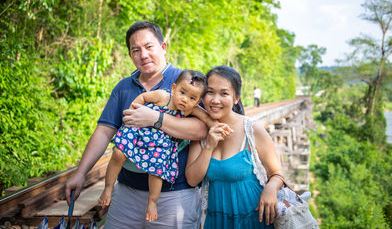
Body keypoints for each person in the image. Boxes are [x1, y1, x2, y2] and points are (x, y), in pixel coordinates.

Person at [65, 21, 209, 228]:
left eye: (149, 47)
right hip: (127, 193)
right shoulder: (124, 87)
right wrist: (80, 173)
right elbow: (104, 131)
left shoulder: (187, 83)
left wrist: (156, 120)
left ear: (163, 47)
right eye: (136, 50)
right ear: (131, 55)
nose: (143, 54)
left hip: (173, 195)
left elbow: (202, 130)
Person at [98, 70, 232, 222]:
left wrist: (218, 126)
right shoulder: (163, 96)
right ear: (174, 88)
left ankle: (152, 202)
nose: (185, 99)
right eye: (182, 92)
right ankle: (108, 187)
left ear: (197, 102)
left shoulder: (191, 109)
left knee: (156, 171)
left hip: (160, 145)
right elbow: (143, 97)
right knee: (118, 153)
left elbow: (207, 120)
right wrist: (133, 110)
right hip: (140, 131)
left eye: (192, 98)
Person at [185, 66, 285, 228]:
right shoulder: (200, 132)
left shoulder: (252, 130)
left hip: (253, 218)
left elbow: (277, 173)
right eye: (210, 92)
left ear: (236, 98)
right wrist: (209, 146)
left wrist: (270, 189)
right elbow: (192, 179)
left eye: (224, 93)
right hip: (217, 221)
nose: (215, 100)